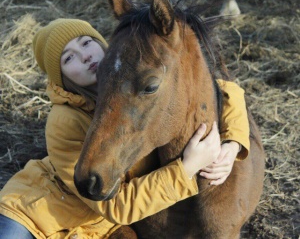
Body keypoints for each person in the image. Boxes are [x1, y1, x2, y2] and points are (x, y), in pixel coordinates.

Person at [0, 19, 250, 239]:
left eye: (86, 43)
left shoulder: (127, 79)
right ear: (61, 78)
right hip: (35, 212)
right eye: (68, 58)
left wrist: (233, 143)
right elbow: (115, 205)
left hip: (96, 226)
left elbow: (222, 89)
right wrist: (185, 169)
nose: (84, 56)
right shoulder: (63, 122)